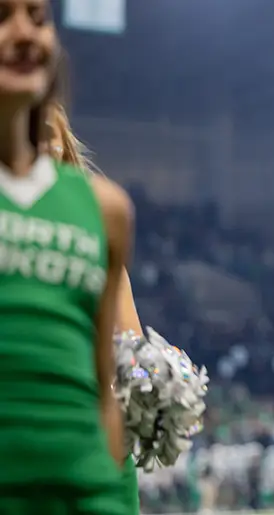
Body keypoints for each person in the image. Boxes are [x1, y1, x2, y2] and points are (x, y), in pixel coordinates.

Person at [0, 0, 132, 513]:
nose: (24, 33)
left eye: (38, 17)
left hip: (84, 492)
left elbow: (105, 385)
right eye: (2, 17)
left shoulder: (107, 210)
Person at [46, 101, 143, 515]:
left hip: (92, 435)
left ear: (65, 148)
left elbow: (131, 346)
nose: (39, 146)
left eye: (48, 135)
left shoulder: (99, 227)